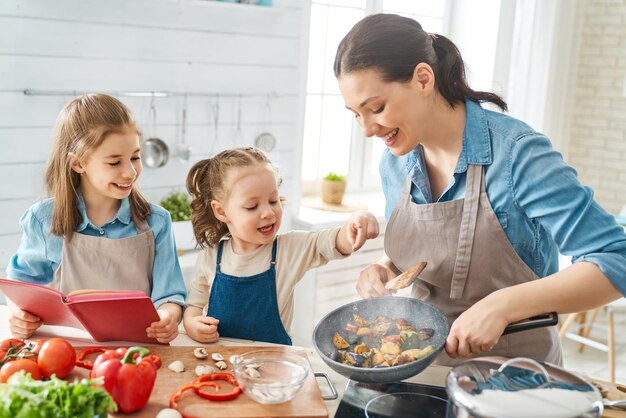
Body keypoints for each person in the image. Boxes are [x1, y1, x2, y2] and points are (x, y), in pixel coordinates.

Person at [334, 13, 626, 365]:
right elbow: (429, 253)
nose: (366, 129)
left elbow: (615, 258)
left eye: (376, 108)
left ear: (423, 79)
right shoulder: (395, 163)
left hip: (514, 377)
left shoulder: (517, 153)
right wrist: (386, 269)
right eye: (355, 114)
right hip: (420, 367)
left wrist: (503, 305)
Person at [5, 93, 186, 343]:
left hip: (139, 349)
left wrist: (168, 316)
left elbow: (170, 295)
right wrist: (18, 314)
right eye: (114, 162)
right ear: (78, 163)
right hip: (70, 348)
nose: (130, 172)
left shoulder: (157, 221)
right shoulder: (43, 219)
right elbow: (21, 285)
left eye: (135, 157)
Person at [183, 147, 379, 345]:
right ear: (221, 211)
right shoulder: (210, 258)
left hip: (273, 365)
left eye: (273, 200)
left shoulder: (290, 249)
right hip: (220, 362)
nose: (268, 212)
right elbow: (194, 305)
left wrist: (355, 222)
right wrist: (191, 324)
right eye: (252, 206)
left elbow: (332, 241)